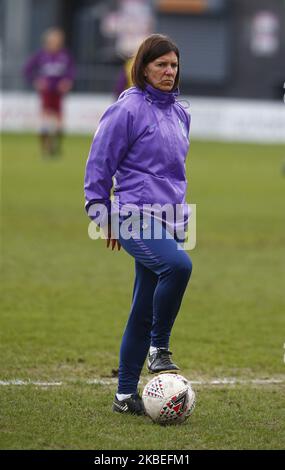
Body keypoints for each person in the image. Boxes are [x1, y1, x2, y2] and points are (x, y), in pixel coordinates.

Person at [84, 34, 192, 416]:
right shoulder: (127, 108)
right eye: (161, 64)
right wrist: (102, 215)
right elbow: (100, 163)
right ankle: (158, 348)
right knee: (179, 266)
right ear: (143, 67)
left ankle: (124, 396)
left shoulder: (181, 113)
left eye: (174, 65)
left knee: (142, 307)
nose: (168, 71)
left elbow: (173, 174)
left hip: (171, 219)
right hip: (131, 215)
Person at [24, 28, 75, 156]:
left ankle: (56, 147)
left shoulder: (64, 55)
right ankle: (45, 148)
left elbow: (71, 70)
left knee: (59, 123)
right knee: (45, 121)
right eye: (53, 40)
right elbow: (27, 69)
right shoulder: (41, 55)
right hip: (46, 92)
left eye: (57, 40)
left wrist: (67, 81)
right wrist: (36, 81)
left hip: (58, 93)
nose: (55, 42)